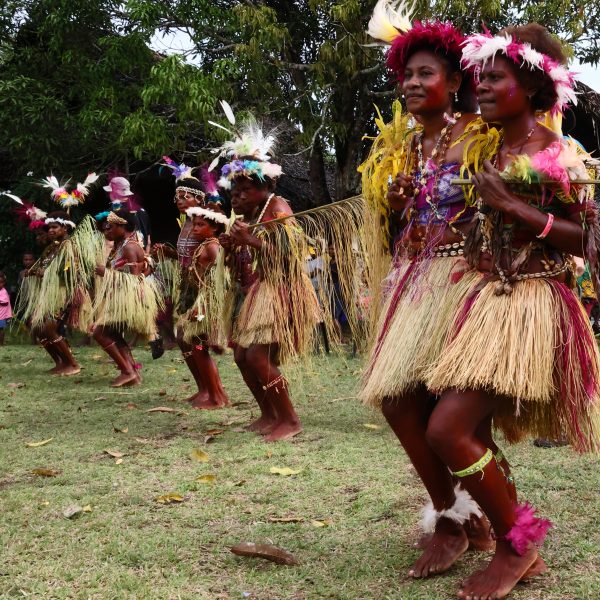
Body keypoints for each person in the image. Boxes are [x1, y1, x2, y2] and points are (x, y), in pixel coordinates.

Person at [425, 24, 600, 599]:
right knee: (469, 430)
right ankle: (517, 536)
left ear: (530, 84)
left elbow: (587, 240)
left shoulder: (559, 152)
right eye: (482, 76)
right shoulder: (491, 146)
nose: (483, 85)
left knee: (447, 428)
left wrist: (513, 208)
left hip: (530, 303)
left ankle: (517, 547)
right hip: (481, 300)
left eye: (495, 77)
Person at [359, 0, 501, 578]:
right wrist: (389, 208)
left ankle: (487, 524)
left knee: (459, 416)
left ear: (454, 81)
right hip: (412, 285)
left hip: (466, 285)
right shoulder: (401, 147)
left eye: (425, 73)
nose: (413, 83)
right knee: (397, 401)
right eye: (407, 74)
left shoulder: (482, 135)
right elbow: (395, 224)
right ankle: (451, 516)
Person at [215, 118, 322, 442]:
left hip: (284, 291)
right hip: (262, 291)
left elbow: (294, 252)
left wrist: (251, 241)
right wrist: (233, 246)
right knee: (241, 356)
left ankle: (290, 420)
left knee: (258, 356)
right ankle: (269, 413)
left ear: (265, 187)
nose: (237, 197)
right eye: (235, 191)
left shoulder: (278, 207)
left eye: (246, 190)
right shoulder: (250, 216)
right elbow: (249, 255)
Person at [153, 164, 213, 405]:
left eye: (184, 196)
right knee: (182, 337)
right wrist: (169, 254)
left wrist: (208, 290)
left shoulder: (206, 219)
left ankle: (214, 392)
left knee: (195, 339)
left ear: (198, 198)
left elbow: (213, 252)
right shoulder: (186, 222)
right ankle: (203, 388)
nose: (178, 200)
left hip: (203, 288)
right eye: (176, 196)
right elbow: (187, 256)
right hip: (187, 286)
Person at [93, 208, 163, 387]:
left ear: (122, 226)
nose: (106, 230)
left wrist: (106, 273)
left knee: (99, 332)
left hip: (129, 299)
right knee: (113, 333)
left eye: (110, 226)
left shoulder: (130, 247)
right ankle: (132, 372)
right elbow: (147, 266)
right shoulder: (122, 245)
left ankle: (128, 371)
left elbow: (135, 279)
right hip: (121, 297)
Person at [174, 205, 230, 409]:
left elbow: (221, 280)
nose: (194, 228)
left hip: (207, 305)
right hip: (200, 301)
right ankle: (213, 392)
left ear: (215, 228)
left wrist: (203, 307)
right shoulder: (204, 244)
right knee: (195, 346)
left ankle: (216, 397)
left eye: (201, 225)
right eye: (194, 224)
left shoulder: (212, 246)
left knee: (199, 347)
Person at [0, 271, 12, 346]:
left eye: (0, 282)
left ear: (4, 283)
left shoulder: (3, 291)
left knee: (1, 329)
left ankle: (1, 343)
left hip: (2, 315)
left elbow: (5, 302)